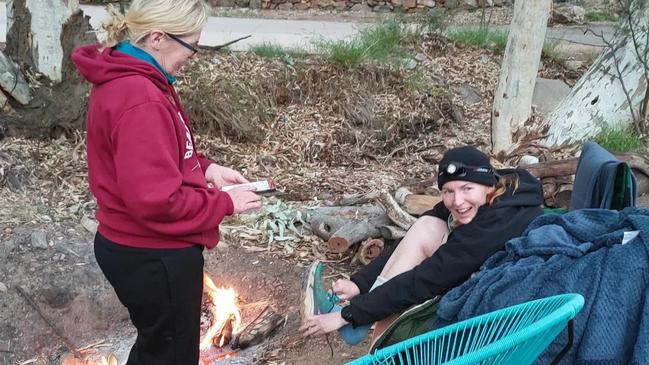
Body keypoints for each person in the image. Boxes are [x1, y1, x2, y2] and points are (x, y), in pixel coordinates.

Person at [72, 1, 262, 363]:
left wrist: (206, 169)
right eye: (191, 46)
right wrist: (225, 203)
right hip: (153, 254)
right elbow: (157, 201)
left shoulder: (133, 76)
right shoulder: (139, 96)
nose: (191, 56)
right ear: (158, 37)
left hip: (135, 247)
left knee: (157, 348)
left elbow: (157, 154)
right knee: (170, 355)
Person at [300, 145, 544, 344]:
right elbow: (414, 239)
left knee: (414, 278)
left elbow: (426, 279)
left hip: (496, 287)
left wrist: (349, 314)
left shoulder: (496, 221)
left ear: (489, 184)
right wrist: (359, 284)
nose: (457, 201)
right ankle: (362, 323)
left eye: (467, 188)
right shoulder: (491, 197)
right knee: (428, 224)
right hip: (470, 269)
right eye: (448, 191)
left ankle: (374, 346)